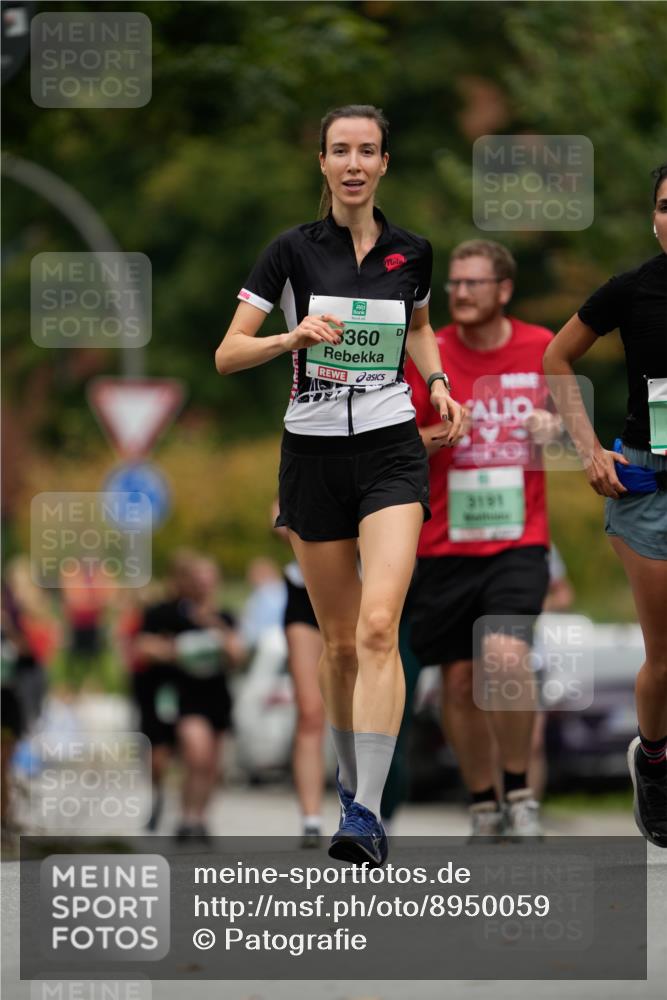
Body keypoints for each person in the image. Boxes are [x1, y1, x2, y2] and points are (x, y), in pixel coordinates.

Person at [215, 104, 464, 866]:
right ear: (321, 164)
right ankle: (354, 783)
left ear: (385, 162)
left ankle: (364, 812)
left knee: (380, 626)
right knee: (339, 645)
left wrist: (438, 382)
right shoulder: (289, 252)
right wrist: (289, 338)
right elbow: (227, 354)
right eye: (338, 151)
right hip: (313, 457)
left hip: (391, 449)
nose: (352, 164)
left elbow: (418, 326)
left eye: (366, 151)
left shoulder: (411, 251)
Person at [406, 239, 561, 839]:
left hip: (519, 537)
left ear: (504, 290)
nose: (462, 293)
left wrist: (556, 428)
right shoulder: (430, 352)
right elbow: (395, 447)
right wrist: (436, 434)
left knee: (503, 656)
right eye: (454, 284)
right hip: (443, 542)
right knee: (461, 680)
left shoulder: (541, 346)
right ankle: (482, 802)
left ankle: (520, 791)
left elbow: (580, 437)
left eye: (475, 283)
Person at [543, 163, 667, 848]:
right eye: (663, 206)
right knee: (663, 655)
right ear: (652, 216)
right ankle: (652, 760)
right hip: (645, 485)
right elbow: (556, 359)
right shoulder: (632, 290)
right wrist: (588, 450)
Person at [131, 550, 244, 840]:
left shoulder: (223, 617)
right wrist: (175, 651)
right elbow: (143, 647)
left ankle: (197, 818)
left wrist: (213, 626)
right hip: (182, 696)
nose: (203, 584)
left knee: (212, 765)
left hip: (217, 696)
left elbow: (237, 655)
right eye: (198, 578)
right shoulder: (165, 613)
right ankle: (184, 814)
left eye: (209, 579)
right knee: (197, 754)